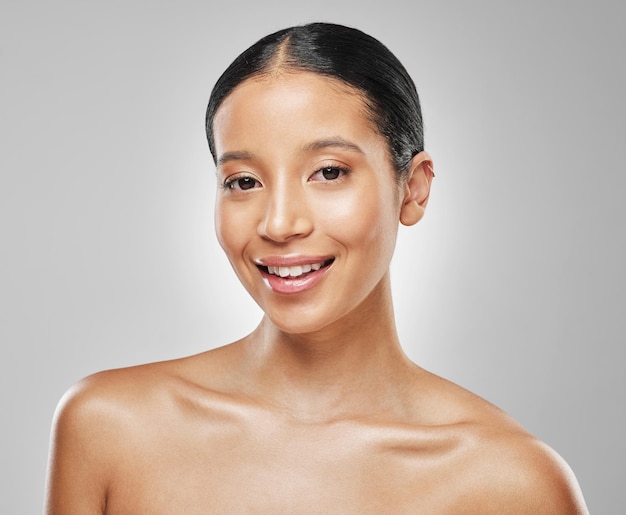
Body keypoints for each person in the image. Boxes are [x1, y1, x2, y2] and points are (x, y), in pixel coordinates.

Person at [45, 22, 589, 513]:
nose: (279, 224)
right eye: (244, 182)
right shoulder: (108, 428)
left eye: (328, 172)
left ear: (414, 189)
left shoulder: (512, 483)